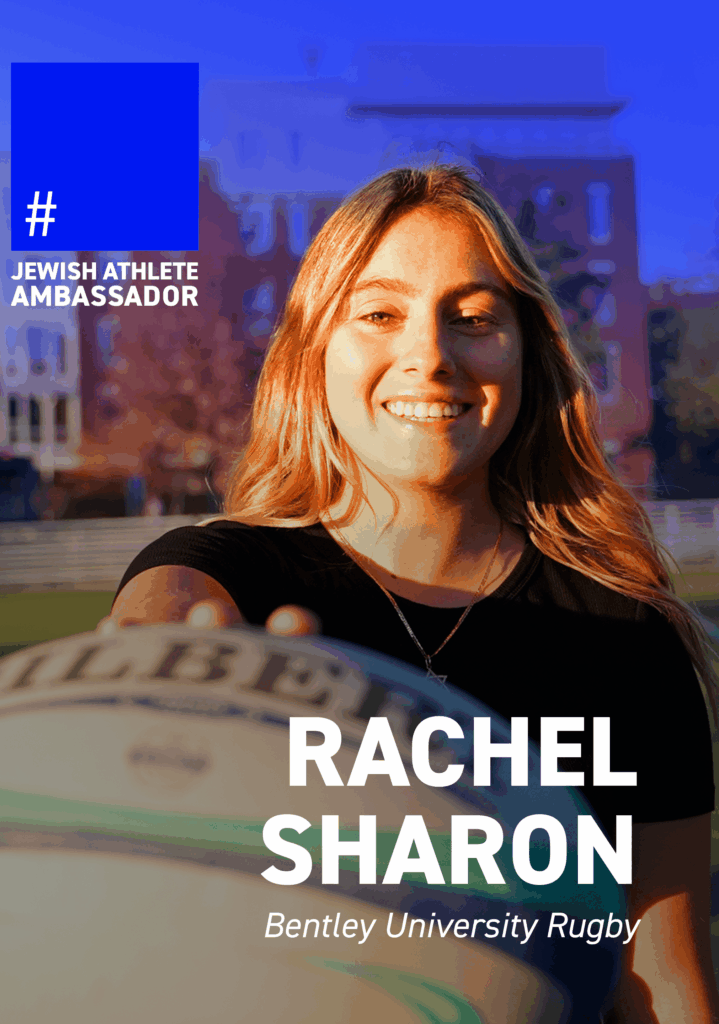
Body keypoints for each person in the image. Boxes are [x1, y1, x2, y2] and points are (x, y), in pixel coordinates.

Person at [110, 165, 717, 1022]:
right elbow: (168, 603)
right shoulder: (236, 578)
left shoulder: (626, 638)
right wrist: (165, 654)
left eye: (471, 319)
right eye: (380, 314)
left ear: (526, 354)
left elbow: (663, 982)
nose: (429, 355)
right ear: (314, 353)